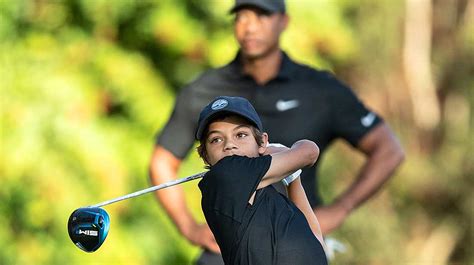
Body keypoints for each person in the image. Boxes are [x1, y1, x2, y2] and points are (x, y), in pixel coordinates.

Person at [149, 0, 405, 264]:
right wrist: (189, 228)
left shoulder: (320, 87)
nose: (249, 27)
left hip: (296, 232)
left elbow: (388, 150)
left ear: (284, 21)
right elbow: (162, 161)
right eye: (242, 17)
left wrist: (339, 210)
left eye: (261, 16)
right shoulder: (203, 89)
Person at [196, 96, 328, 265]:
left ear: (262, 141)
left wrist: (293, 178)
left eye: (241, 135)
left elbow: (315, 241)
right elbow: (309, 152)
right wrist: (281, 152)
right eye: (216, 139)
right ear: (206, 156)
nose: (229, 145)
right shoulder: (225, 176)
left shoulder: (273, 200)